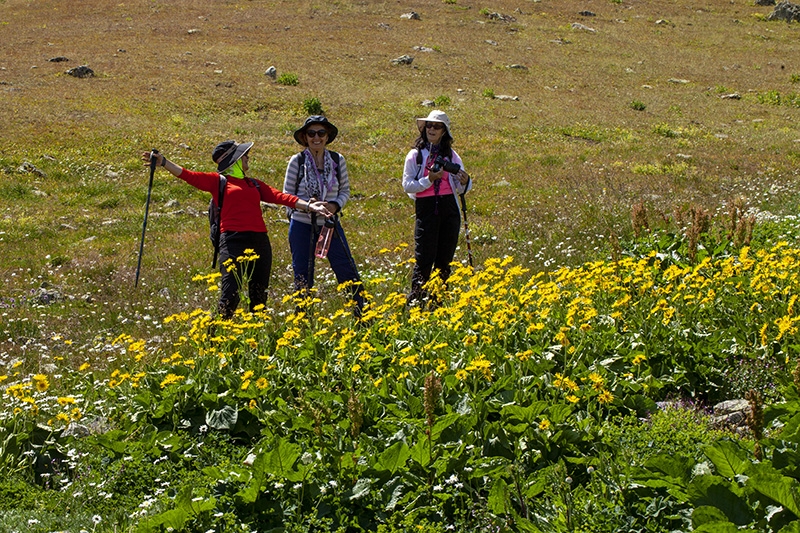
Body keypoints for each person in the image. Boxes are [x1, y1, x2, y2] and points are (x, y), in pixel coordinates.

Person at [141, 141, 331, 318]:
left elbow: (279, 196)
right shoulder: (219, 181)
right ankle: (214, 339)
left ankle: (256, 340)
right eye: (245, 155)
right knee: (230, 294)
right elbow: (188, 175)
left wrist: (309, 206)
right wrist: (163, 162)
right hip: (232, 241)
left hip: (260, 241)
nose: (248, 158)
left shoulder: (253, 183)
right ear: (236, 160)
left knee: (259, 294)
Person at [283, 115, 365, 316]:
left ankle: (363, 316)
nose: (316, 138)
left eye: (321, 133)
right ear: (305, 137)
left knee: (346, 269)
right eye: (311, 134)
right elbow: (287, 195)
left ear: (327, 136)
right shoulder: (297, 161)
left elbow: (345, 190)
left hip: (329, 224)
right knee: (303, 275)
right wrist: (309, 206)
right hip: (302, 225)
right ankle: (302, 321)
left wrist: (334, 205)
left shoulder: (338, 160)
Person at [402, 110, 472, 306]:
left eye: (437, 126)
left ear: (444, 131)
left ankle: (437, 303)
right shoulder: (415, 155)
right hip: (426, 209)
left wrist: (465, 181)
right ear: (424, 129)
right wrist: (428, 179)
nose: (432, 129)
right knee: (424, 259)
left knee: (444, 261)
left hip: (449, 208)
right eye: (429, 126)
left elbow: (461, 187)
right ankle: (416, 304)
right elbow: (407, 185)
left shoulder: (452, 155)